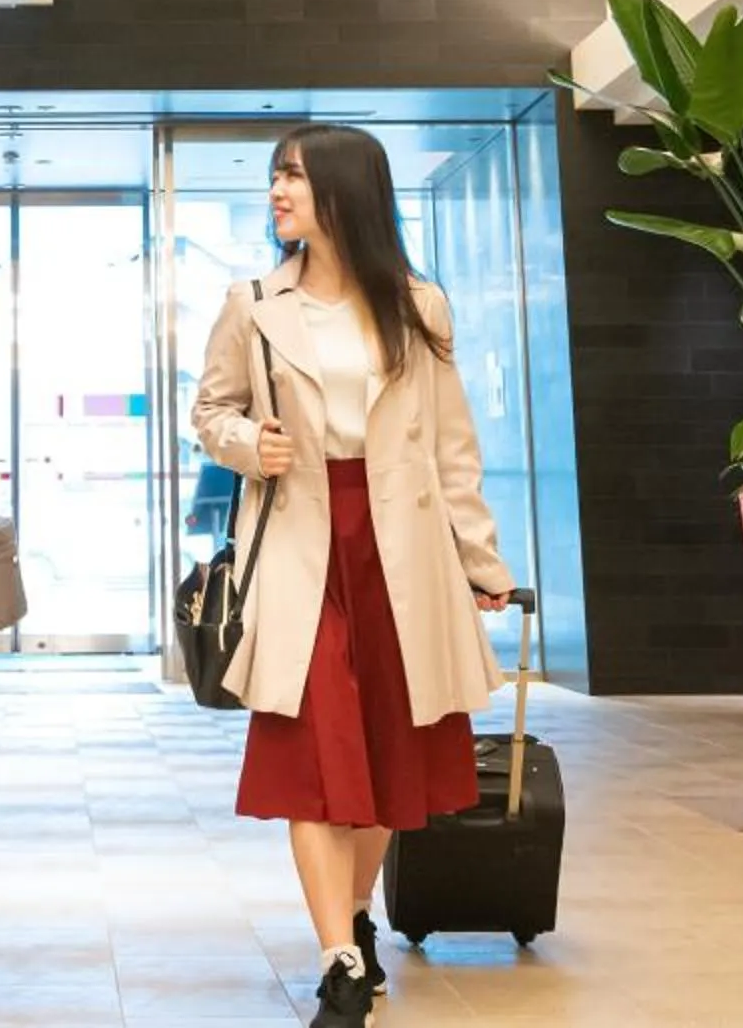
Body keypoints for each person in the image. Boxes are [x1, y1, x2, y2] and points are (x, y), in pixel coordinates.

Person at [190, 124, 514, 1028]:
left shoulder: (419, 305)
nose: (276, 194)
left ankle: (358, 916)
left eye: (291, 176)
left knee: (388, 756)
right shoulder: (251, 303)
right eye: (272, 179)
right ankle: (338, 957)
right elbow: (209, 410)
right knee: (314, 752)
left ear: (343, 191)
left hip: (398, 548)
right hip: (302, 540)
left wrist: (482, 562)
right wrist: (251, 444)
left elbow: (454, 449)